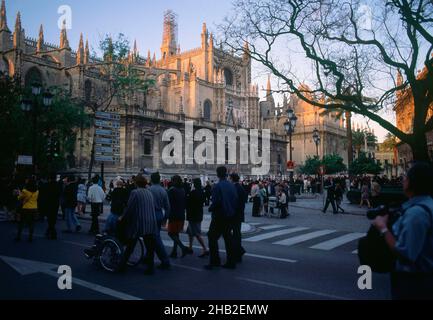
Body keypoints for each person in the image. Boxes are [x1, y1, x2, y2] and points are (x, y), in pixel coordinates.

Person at [372, 162, 433, 300]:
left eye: (406, 176)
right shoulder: (427, 205)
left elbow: (405, 253)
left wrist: (383, 228)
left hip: (415, 282)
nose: (403, 179)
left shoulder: (416, 214)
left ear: (413, 182)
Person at [118, 174, 158, 275]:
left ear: (136, 183)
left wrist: (122, 217)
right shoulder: (149, 192)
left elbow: (130, 207)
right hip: (151, 221)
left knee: (131, 244)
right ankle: (150, 267)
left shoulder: (135, 192)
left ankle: (122, 265)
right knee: (149, 247)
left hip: (140, 222)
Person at [205, 166, 238, 270]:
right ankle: (231, 261)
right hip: (230, 215)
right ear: (226, 174)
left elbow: (216, 202)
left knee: (211, 237)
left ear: (218, 174)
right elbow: (235, 200)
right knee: (228, 238)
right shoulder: (232, 186)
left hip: (219, 216)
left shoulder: (217, 186)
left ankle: (215, 261)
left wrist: (210, 208)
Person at [149, 172, 172, 270]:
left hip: (150, 215)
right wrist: (165, 218)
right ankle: (147, 256)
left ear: (151, 179)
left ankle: (165, 260)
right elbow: (168, 207)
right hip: (159, 214)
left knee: (155, 238)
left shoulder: (149, 190)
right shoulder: (163, 190)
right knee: (153, 236)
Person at [167, 175, 191, 258]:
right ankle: (174, 252)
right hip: (181, 214)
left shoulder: (171, 190)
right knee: (176, 233)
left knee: (170, 233)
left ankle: (183, 247)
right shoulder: (182, 190)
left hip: (173, 215)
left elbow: (168, 204)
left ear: (174, 181)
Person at [186, 178, 209, 258]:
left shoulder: (193, 193)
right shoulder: (202, 192)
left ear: (194, 184)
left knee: (196, 233)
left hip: (193, 215)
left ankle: (205, 249)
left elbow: (188, 203)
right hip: (199, 214)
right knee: (190, 232)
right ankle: (190, 247)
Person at [15, 177, 39, 242]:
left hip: (25, 208)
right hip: (34, 208)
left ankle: (18, 236)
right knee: (32, 224)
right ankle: (30, 237)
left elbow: (19, 198)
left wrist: (18, 193)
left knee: (21, 222)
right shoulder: (37, 191)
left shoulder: (25, 191)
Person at [230, 173, 247, 262]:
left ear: (232, 179)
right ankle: (238, 252)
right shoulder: (240, 187)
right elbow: (244, 200)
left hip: (235, 214)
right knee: (236, 234)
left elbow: (234, 201)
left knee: (234, 234)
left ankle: (238, 252)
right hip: (239, 214)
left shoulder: (235, 188)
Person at [39, 174, 62, 239]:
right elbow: (60, 194)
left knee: (49, 218)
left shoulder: (46, 185)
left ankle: (53, 233)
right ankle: (49, 231)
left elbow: (43, 194)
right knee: (53, 218)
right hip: (55, 203)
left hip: (48, 203)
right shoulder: (58, 185)